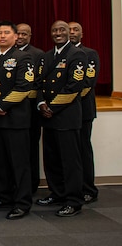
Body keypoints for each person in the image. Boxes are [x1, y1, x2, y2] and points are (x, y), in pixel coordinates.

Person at [35, 21, 87, 217]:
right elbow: (39, 83)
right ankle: (57, 193)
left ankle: (73, 200)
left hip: (65, 116)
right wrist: (41, 104)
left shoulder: (76, 54)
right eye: (54, 30)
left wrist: (53, 107)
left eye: (62, 30)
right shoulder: (48, 56)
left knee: (70, 161)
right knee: (52, 159)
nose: (58, 33)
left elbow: (74, 86)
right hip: (48, 117)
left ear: (69, 33)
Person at [0, 21, 34, 220]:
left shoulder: (24, 57)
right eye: (0, 33)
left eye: (7, 33)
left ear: (15, 37)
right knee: (0, 162)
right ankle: (4, 196)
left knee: (18, 163)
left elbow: (23, 87)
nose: (2, 36)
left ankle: (22, 202)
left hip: (15, 120)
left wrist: (1, 106)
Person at [69, 22, 100, 204]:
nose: (72, 33)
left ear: (82, 34)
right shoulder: (60, 55)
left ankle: (89, 189)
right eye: (69, 30)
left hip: (83, 111)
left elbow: (88, 83)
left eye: (76, 30)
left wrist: (64, 102)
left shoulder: (90, 54)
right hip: (64, 112)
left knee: (83, 150)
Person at [16, 23, 44, 193]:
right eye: (18, 33)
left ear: (30, 36)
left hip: (31, 108)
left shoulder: (37, 54)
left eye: (24, 34)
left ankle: (32, 184)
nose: (20, 37)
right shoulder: (7, 54)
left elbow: (39, 82)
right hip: (13, 110)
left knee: (31, 147)